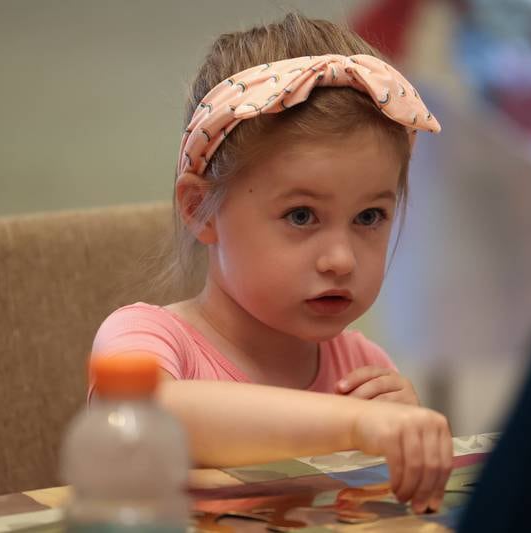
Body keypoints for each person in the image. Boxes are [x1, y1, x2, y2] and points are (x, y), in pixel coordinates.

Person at [89, 13, 452, 514]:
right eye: (301, 215)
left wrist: (406, 457)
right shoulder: (145, 339)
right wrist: (353, 428)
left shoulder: (365, 374)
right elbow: (146, 416)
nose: (341, 259)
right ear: (199, 209)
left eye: (370, 216)